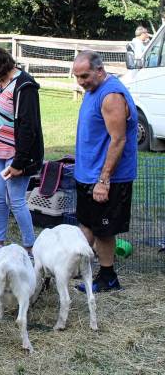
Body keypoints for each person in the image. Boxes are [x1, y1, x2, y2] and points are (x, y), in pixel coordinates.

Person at [72, 51, 138, 293]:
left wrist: (104, 180)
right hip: (87, 173)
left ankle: (108, 277)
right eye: (77, 76)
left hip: (106, 177)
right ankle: (80, 267)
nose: (80, 81)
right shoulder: (93, 90)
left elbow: (118, 140)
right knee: (87, 223)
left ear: (100, 70)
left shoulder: (111, 96)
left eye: (85, 76)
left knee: (103, 229)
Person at [0, 46, 44, 259]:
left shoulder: (25, 85)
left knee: (16, 200)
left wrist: (19, 163)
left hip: (17, 155)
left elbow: (28, 126)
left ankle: (30, 248)